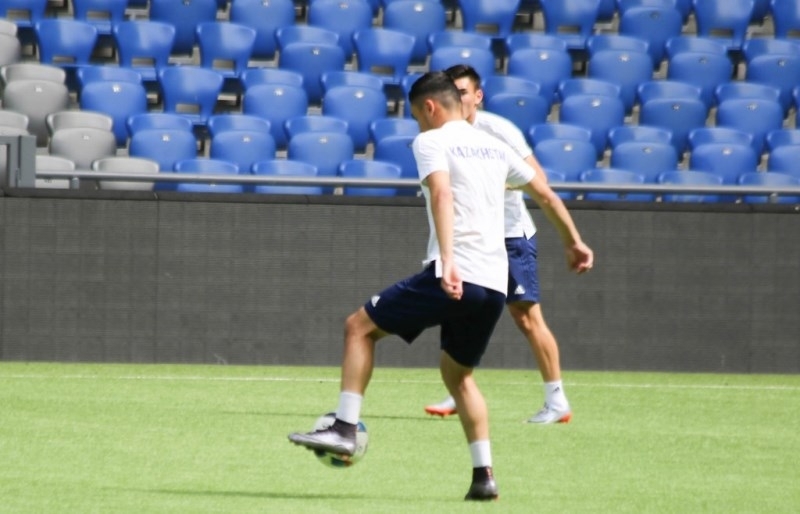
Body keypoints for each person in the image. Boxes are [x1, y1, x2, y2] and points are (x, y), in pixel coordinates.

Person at [288, 71, 593, 501]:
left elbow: (442, 195)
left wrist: (448, 260)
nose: (419, 124)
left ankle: (344, 427)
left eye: (417, 116)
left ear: (429, 107)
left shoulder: (431, 141)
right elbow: (545, 195)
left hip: (456, 272)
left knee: (358, 327)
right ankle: (484, 477)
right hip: (494, 284)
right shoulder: (495, 146)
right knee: (458, 375)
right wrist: (574, 242)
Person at [424, 64, 576, 424]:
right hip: (471, 238)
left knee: (526, 316)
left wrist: (491, 181)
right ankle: (458, 388)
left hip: (510, 234)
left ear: (478, 96)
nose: (458, 98)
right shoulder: (442, 135)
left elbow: (539, 181)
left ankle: (557, 401)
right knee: (457, 307)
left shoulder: (499, 130)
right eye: (452, 92)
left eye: (464, 92)